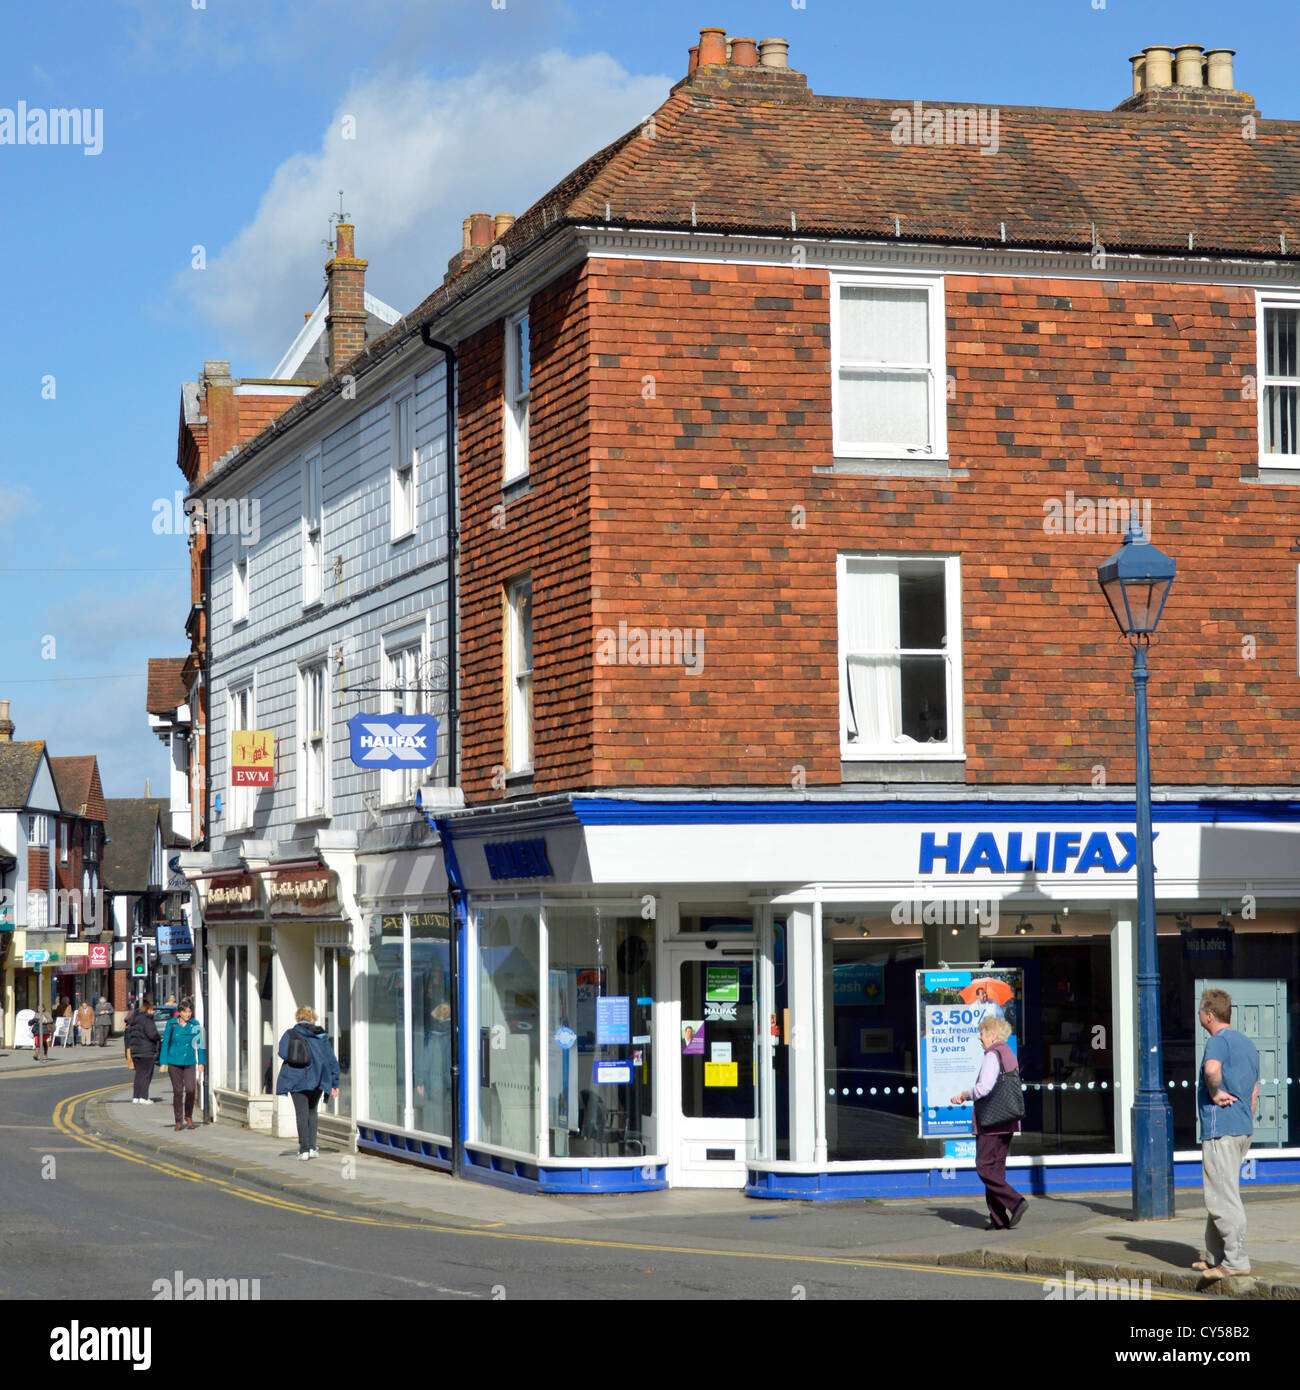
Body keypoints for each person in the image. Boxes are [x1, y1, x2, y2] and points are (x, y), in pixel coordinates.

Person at [1195, 988, 1260, 1280]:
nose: (1199, 1014)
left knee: (1223, 1197)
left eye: (1200, 1010)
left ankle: (1235, 1260)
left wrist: (1215, 1091)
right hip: (1242, 1128)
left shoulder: (1218, 1042)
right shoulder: (1247, 1044)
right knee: (1221, 1190)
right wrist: (1245, 1116)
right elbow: (1255, 1091)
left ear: (1209, 1015)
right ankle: (1214, 1257)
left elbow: (1211, 1070)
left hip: (1220, 1127)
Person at [951, 1015, 1027, 1231]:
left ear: (993, 1035)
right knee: (996, 1170)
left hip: (992, 1121)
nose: (979, 1036)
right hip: (1008, 1120)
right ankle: (999, 1219)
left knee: (984, 1168)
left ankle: (1016, 1201)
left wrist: (965, 1095)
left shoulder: (992, 1055)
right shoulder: (1009, 1053)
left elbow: (984, 1088)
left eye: (982, 1032)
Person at [275, 1006, 340, 1160]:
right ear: (313, 1018)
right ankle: (312, 1147)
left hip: (296, 1080)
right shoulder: (322, 1036)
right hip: (317, 1080)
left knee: (301, 1114)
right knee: (312, 1112)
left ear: (298, 1017)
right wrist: (334, 1083)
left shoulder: (290, 1034)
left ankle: (303, 1149)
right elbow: (332, 1060)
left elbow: (283, 1053)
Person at [158, 998, 205, 1131]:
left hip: (189, 1062)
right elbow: (165, 1043)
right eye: (185, 1012)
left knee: (190, 1089)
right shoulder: (171, 1024)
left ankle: (188, 1116)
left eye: (190, 1011)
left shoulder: (195, 1024)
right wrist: (163, 1062)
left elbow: (200, 1044)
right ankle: (178, 1120)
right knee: (178, 1092)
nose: (188, 1014)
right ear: (180, 1012)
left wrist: (201, 1062)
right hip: (174, 1062)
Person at [124, 997, 161, 1103]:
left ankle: (136, 1096)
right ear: (148, 1010)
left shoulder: (134, 1020)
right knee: (146, 1074)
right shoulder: (147, 1020)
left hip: (135, 1050)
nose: (153, 1012)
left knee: (139, 1074)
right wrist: (158, 1038)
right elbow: (152, 1034)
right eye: (152, 1010)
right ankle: (144, 1097)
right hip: (147, 1051)